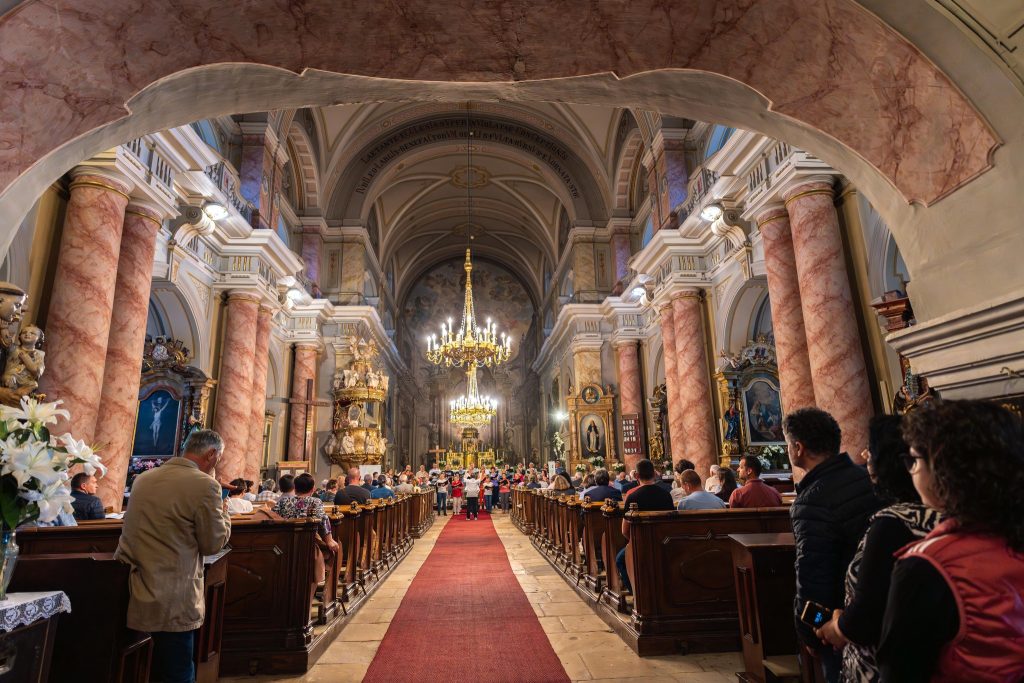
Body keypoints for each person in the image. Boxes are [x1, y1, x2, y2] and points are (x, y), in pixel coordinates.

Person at [876, 401, 1024, 683]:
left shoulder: (927, 566)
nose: (911, 471)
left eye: (913, 460)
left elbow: (898, 673)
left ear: (943, 468)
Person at [812, 415, 940, 683]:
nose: (864, 453)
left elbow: (870, 607)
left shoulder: (893, 523)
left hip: (880, 664)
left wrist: (839, 625)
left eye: (872, 447)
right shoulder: (960, 517)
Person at [114, 429, 231, 683]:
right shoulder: (204, 484)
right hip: (173, 595)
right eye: (219, 457)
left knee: (146, 669)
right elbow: (213, 543)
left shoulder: (144, 478)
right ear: (211, 455)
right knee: (177, 672)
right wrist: (224, 511)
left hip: (135, 589)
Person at [785, 408, 880, 683]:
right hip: (870, 613)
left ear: (798, 448)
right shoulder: (866, 479)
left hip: (838, 624)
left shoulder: (812, 500)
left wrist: (814, 632)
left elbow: (813, 576)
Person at [616, 459, 674, 592]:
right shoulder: (666, 495)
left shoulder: (633, 497)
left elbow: (624, 530)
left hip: (640, 542)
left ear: (636, 476)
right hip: (664, 541)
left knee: (620, 560)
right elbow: (671, 523)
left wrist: (634, 542)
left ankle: (636, 592)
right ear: (654, 474)